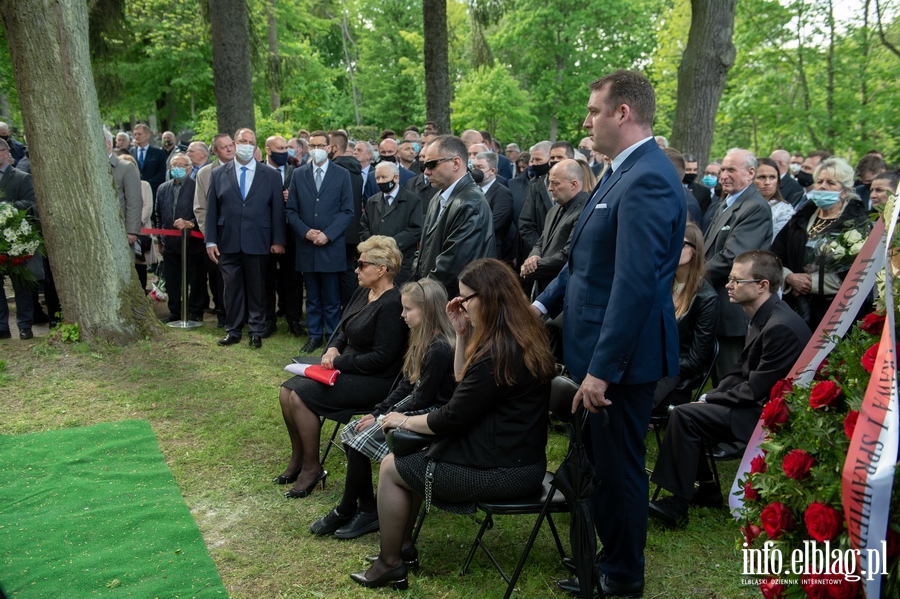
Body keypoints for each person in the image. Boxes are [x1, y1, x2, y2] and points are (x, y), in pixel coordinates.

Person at [536, 70, 685, 598]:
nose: (586, 120)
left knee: (618, 467)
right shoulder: (621, 171)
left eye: (594, 110)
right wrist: (539, 306)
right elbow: (584, 265)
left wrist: (602, 369)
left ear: (623, 113)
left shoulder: (647, 176)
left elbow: (634, 285)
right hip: (597, 351)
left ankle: (622, 575)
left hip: (620, 361)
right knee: (600, 461)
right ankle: (609, 556)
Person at [350, 258, 556, 590]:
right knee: (407, 457)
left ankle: (390, 562)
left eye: (465, 298)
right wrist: (461, 333)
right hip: (517, 458)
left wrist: (405, 419)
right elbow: (463, 379)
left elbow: (451, 417)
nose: (459, 305)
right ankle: (401, 550)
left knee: (392, 467)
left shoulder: (500, 351)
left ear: (488, 298)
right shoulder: (514, 336)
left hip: (506, 471)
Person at [649, 250, 810, 527]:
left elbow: (755, 389)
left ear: (763, 286)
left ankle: (677, 503)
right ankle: (707, 489)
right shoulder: (763, 314)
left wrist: (712, 398)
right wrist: (709, 397)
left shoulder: (779, 326)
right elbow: (740, 370)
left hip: (771, 416)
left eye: (737, 280)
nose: (728, 285)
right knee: (689, 413)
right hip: (757, 404)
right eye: (730, 278)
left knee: (686, 416)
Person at [308, 278, 456, 539]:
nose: (402, 315)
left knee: (357, 439)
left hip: (428, 416)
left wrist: (385, 418)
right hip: (413, 406)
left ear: (428, 310)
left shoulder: (440, 348)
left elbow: (421, 398)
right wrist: (377, 412)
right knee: (355, 431)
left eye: (408, 309)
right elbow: (406, 384)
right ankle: (365, 509)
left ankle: (351, 510)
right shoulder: (420, 337)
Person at [276, 236, 408, 498]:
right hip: (348, 367)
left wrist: (337, 361)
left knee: (301, 396)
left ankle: (312, 469)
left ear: (382, 269)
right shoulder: (364, 291)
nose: (356, 269)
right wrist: (334, 346)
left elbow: (381, 358)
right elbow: (343, 328)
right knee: (286, 391)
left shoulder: (393, 303)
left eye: (361, 264)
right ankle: (299, 459)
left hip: (376, 380)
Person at [205, 127, 286, 349]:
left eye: (251, 142)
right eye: (242, 141)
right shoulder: (218, 174)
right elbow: (212, 209)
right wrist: (210, 240)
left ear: (256, 145)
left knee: (257, 288)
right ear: (234, 143)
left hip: (258, 240)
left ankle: (256, 330)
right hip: (227, 241)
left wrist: (278, 240)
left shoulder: (270, 175)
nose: (246, 145)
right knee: (231, 287)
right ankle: (233, 330)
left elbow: (277, 210)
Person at [771, 157, 871, 333]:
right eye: (819, 181)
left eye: (831, 183)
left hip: (836, 313)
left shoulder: (857, 224)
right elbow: (776, 254)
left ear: (845, 191)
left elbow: (861, 272)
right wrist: (789, 277)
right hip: (795, 306)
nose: (822, 186)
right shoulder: (801, 218)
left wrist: (813, 284)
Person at [703, 148, 772, 381]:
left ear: (750, 173)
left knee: (730, 381)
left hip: (734, 309)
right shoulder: (725, 204)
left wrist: (692, 276)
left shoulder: (754, 207)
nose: (723, 175)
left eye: (731, 169)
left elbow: (734, 258)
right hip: (715, 305)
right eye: (722, 169)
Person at [285, 130, 354, 353]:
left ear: (329, 147)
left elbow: (347, 211)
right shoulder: (299, 174)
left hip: (331, 246)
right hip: (307, 246)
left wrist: (328, 234)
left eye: (320, 145)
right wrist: (305, 232)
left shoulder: (342, 175)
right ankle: (315, 335)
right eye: (312, 146)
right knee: (312, 295)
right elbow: (292, 210)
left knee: (332, 297)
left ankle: (333, 338)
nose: (316, 149)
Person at [414, 135, 495, 298]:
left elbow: (452, 265)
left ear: (456, 163)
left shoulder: (470, 203)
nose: (426, 171)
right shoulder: (438, 198)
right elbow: (424, 252)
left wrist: (419, 294)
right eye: (424, 164)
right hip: (435, 299)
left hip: (457, 305)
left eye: (431, 164)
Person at [652, 223, 719, 416]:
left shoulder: (706, 298)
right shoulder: (662, 283)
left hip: (676, 379)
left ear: (695, 250)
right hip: (650, 367)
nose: (672, 248)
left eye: (680, 244)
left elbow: (696, 360)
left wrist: (656, 360)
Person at [520, 159, 588, 294]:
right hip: (544, 288)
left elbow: (569, 255)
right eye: (550, 182)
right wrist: (533, 257)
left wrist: (533, 267)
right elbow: (540, 243)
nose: (550, 188)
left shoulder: (586, 211)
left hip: (564, 291)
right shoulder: (554, 210)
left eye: (555, 183)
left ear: (573, 184)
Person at [154, 153, 205, 322]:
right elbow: (158, 214)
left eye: (182, 165)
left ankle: (195, 311)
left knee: (196, 280)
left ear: (189, 169)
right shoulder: (163, 188)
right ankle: (175, 311)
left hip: (193, 243)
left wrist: (190, 223)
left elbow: (202, 212)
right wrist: (161, 239)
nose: (178, 168)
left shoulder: (197, 187)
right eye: (175, 165)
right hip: (170, 244)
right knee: (173, 280)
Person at [359, 161, 422, 285]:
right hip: (375, 260)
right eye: (378, 178)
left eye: (384, 177)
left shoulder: (412, 200)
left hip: (400, 260)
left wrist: (390, 245)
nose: (381, 181)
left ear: (396, 178)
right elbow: (363, 226)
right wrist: (374, 245)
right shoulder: (373, 201)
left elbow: (416, 229)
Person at [754, 157, 795, 238]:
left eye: (772, 177)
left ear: (778, 181)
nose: (767, 182)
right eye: (762, 177)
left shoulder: (784, 210)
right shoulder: (741, 203)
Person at [129, 124, 167, 198]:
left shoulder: (158, 153)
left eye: (139, 134)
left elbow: (161, 174)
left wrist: (145, 184)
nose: (136, 136)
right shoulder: (131, 152)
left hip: (153, 192)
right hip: (135, 193)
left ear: (148, 135)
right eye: (135, 134)